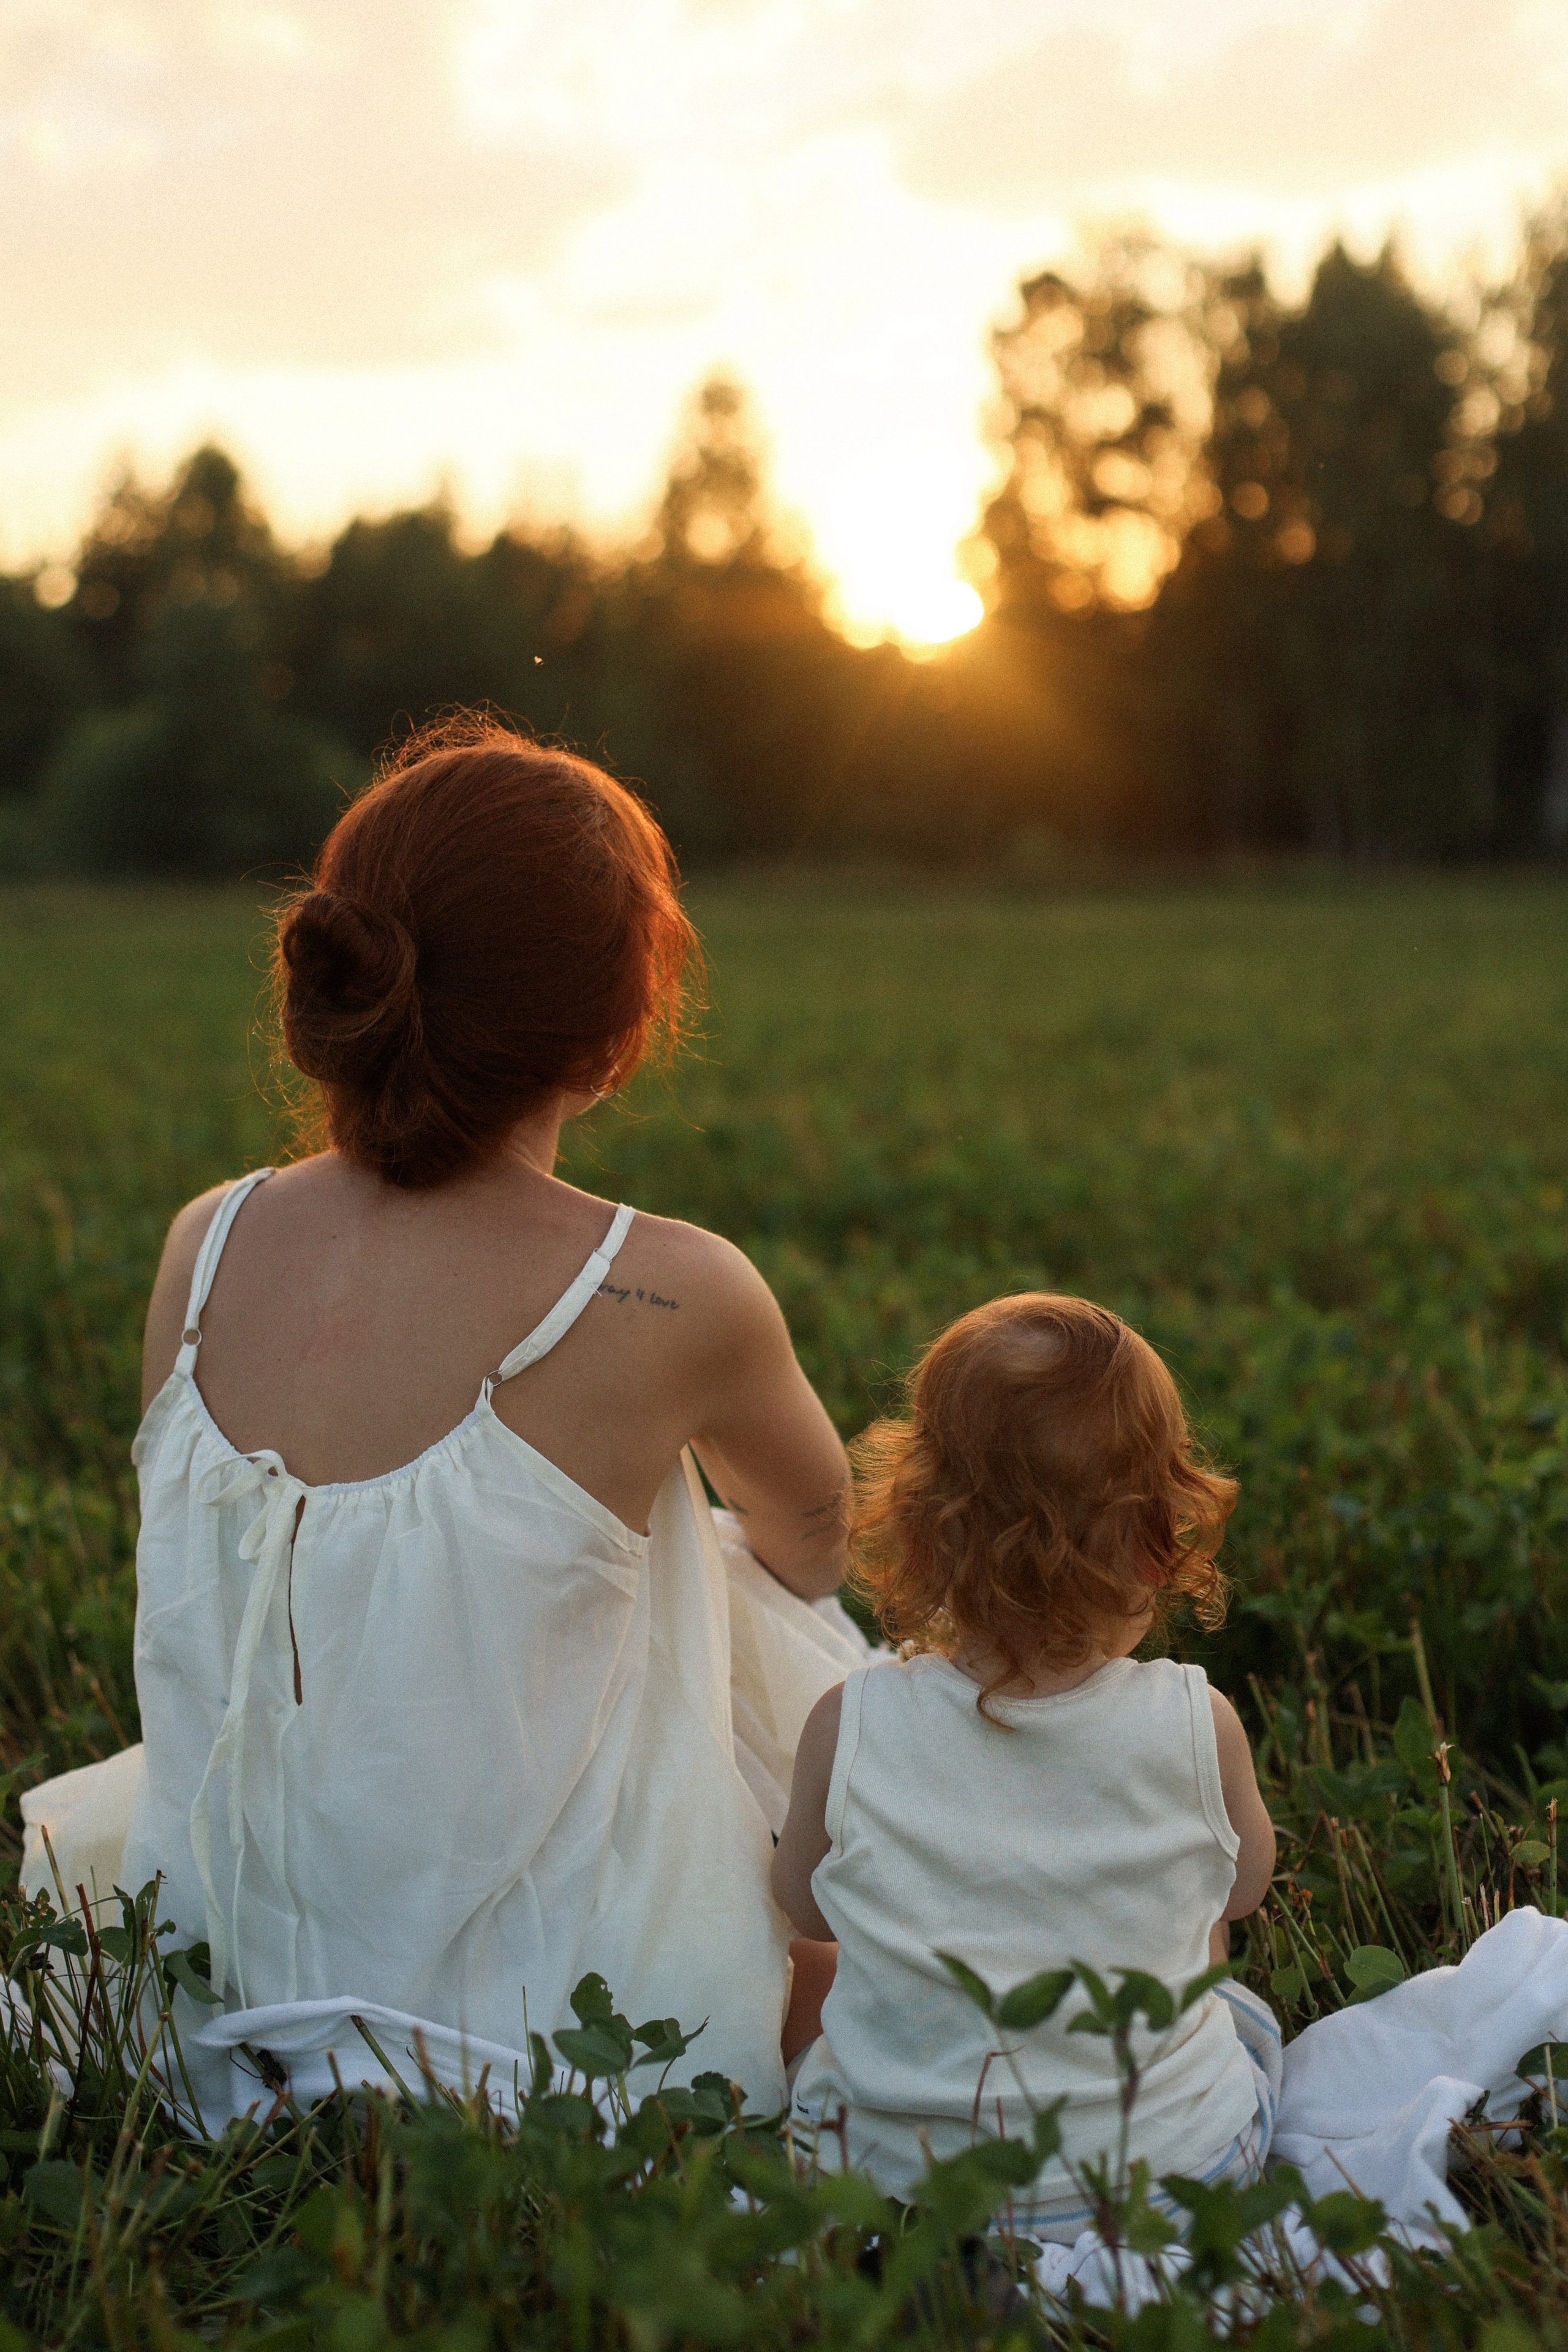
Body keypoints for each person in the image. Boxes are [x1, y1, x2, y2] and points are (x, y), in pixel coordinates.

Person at [25, 720, 862, 2125]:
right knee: (732, 1594)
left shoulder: (204, 1245)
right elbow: (818, 1546)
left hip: (229, 1961)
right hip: (549, 2035)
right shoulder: (670, 1290)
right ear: (613, 1032)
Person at [772, 1293, 1278, 2239]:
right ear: (1159, 1544)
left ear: (914, 1537)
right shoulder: (1196, 1721)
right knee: (1202, 1929)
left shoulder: (852, 1721)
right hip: (1171, 2184)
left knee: (805, 1969)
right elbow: (1245, 1890)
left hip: (891, 2194)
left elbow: (804, 1908)